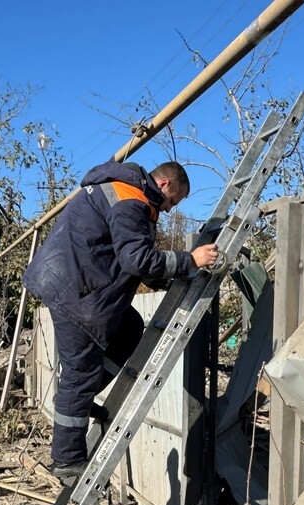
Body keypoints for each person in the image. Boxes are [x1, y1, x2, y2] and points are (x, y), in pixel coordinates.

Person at [22, 160, 219, 479]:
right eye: (173, 202)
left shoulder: (118, 190)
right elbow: (136, 258)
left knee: (129, 328)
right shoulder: (131, 200)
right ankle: (67, 460)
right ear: (166, 185)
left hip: (74, 282)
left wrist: (162, 279)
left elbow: (117, 251)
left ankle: (80, 399)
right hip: (79, 294)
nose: (169, 210)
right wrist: (190, 260)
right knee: (79, 372)